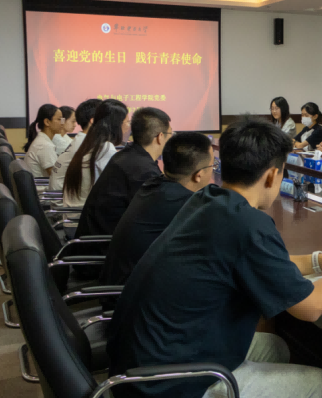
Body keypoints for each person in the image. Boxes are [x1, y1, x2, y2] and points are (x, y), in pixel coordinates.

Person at [106, 118, 322, 398]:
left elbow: (264, 264)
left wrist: (321, 261)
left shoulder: (208, 200)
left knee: (275, 348)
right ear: (272, 175)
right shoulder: (248, 223)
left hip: (136, 377)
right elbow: (310, 307)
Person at [101, 132, 215, 287]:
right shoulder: (185, 204)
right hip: (129, 292)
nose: (213, 171)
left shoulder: (154, 185)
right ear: (199, 175)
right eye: (213, 166)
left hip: (123, 282)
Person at [75, 107, 170, 239]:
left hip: (101, 237)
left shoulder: (129, 155)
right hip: (104, 244)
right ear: (160, 137)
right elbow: (154, 219)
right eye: (170, 134)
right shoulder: (143, 171)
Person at [62, 99, 130, 210]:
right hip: (83, 216)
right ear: (117, 124)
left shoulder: (91, 142)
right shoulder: (105, 148)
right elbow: (120, 184)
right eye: (127, 122)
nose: (129, 126)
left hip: (76, 213)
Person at [49, 99, 101, 191]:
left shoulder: (78, 139)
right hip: (62, 193)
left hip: (66, 190)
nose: (75, 125)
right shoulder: (85, 143)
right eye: (73, 121)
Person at [23, 104, 63, 178]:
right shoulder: (45, 145)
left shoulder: (42, 140)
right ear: (47, 122)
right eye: (59, 119)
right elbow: (56, 177)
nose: (62, 123)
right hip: (42, 185)